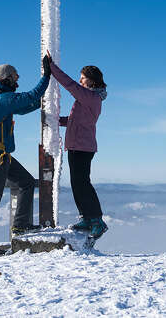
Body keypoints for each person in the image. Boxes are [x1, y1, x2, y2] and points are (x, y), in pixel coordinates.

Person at [0, 57, 51, 256]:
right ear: (7, 77)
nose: (18, 79)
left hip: (1, 156)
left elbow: (26, 106)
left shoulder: (2, 98)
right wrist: (47, 76)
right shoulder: (4, 99)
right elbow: (30, 96)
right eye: (15, 76)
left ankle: (20, 225)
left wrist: (43, 102)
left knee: (26, 182)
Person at [46, 51, 108, 240]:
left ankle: (97, 220)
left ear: (92, 81)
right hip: (77, 146)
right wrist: (56, 120)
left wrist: (52, 68)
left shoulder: (90, 97)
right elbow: (74, 120)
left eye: (83, 79)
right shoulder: (89, 98)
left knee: (83, 184)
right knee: (77, 184)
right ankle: (87, 218)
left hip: (82, 147)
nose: (80, 82)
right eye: (81, 79)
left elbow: (69, 85)